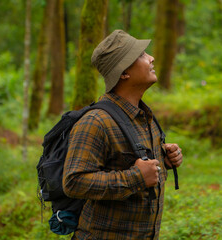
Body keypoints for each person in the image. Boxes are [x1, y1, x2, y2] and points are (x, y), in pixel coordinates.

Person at [63, 29, 183, 240]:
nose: (151, 57)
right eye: (142, 55)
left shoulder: (144, 116)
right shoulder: (95, 122)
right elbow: (73, 182)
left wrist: (164, 161)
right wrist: (136, 177)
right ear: (124, 72)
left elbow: (138, 166)